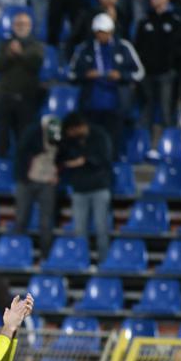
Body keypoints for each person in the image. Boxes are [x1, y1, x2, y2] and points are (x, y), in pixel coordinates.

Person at [68, 13, 144, 152]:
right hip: (90, 106)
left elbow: (139, 73)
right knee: (90, 145)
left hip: (116, 106)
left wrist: (121, 75)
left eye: (105, 32)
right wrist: (86, 75)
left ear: (111, 31)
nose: (102, 35)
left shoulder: (124, 47)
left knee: (112, 145)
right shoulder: (84, 48)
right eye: (99, 32)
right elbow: (71, 74)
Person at [58, 112, 114, 262]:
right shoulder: (69, 142)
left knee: (102, 228)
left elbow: (105, 158)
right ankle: (81, 261)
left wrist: (84, 160)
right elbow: (62, 159)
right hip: (79, 190)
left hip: (99, 188)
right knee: (79, 230)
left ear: (79, 127)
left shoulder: (100, 136)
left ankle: (104, 262)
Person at [135, 0, 181, 155]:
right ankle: (143, 147)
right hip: (146, 73)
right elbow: (138, 46)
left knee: (166, 109)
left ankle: (168, 148)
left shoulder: (175, 21)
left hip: (166, 73)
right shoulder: (145, 21)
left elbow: (178, 49)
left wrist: (172, 67)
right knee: (146, 108)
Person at [0, 12, 45, 159]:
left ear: (30, 26)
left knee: (24, 137)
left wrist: (20, 54)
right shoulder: (5, 45)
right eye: (18, 24)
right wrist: (9, 54)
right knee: (2, 138)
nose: (21, 27)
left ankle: (22, 171)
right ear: (13, 26)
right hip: (5, 97)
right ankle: (1, 166)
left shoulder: (36, 46)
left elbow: (35, 64)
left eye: (24, 24)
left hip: (26, 98)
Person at [15, 115, 63, 260]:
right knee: (21, 219)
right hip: (27, 180)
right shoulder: (31, 133)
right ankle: (18, 255)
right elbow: (22, 153)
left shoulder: (60, 136)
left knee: (46, 223)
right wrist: (23, 175)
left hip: (47, 182)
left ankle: (46, 257)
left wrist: (58, 173)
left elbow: (62, 157)